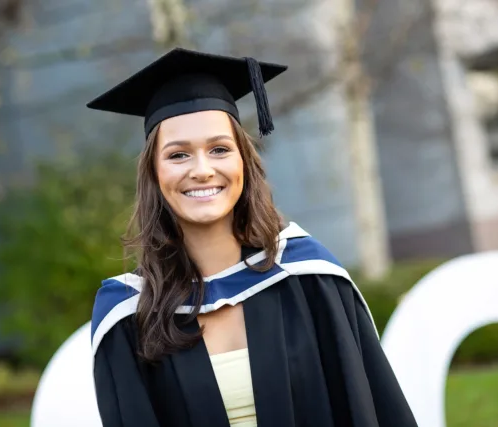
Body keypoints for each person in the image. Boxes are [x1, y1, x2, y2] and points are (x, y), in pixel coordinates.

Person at [87, 48, 418, 427]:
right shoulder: (130, 313)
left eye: (219, 149)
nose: (202, 169)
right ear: (153, 175)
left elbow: (368, 406)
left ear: (243, 161)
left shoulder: (309, 279)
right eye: (178, 155)